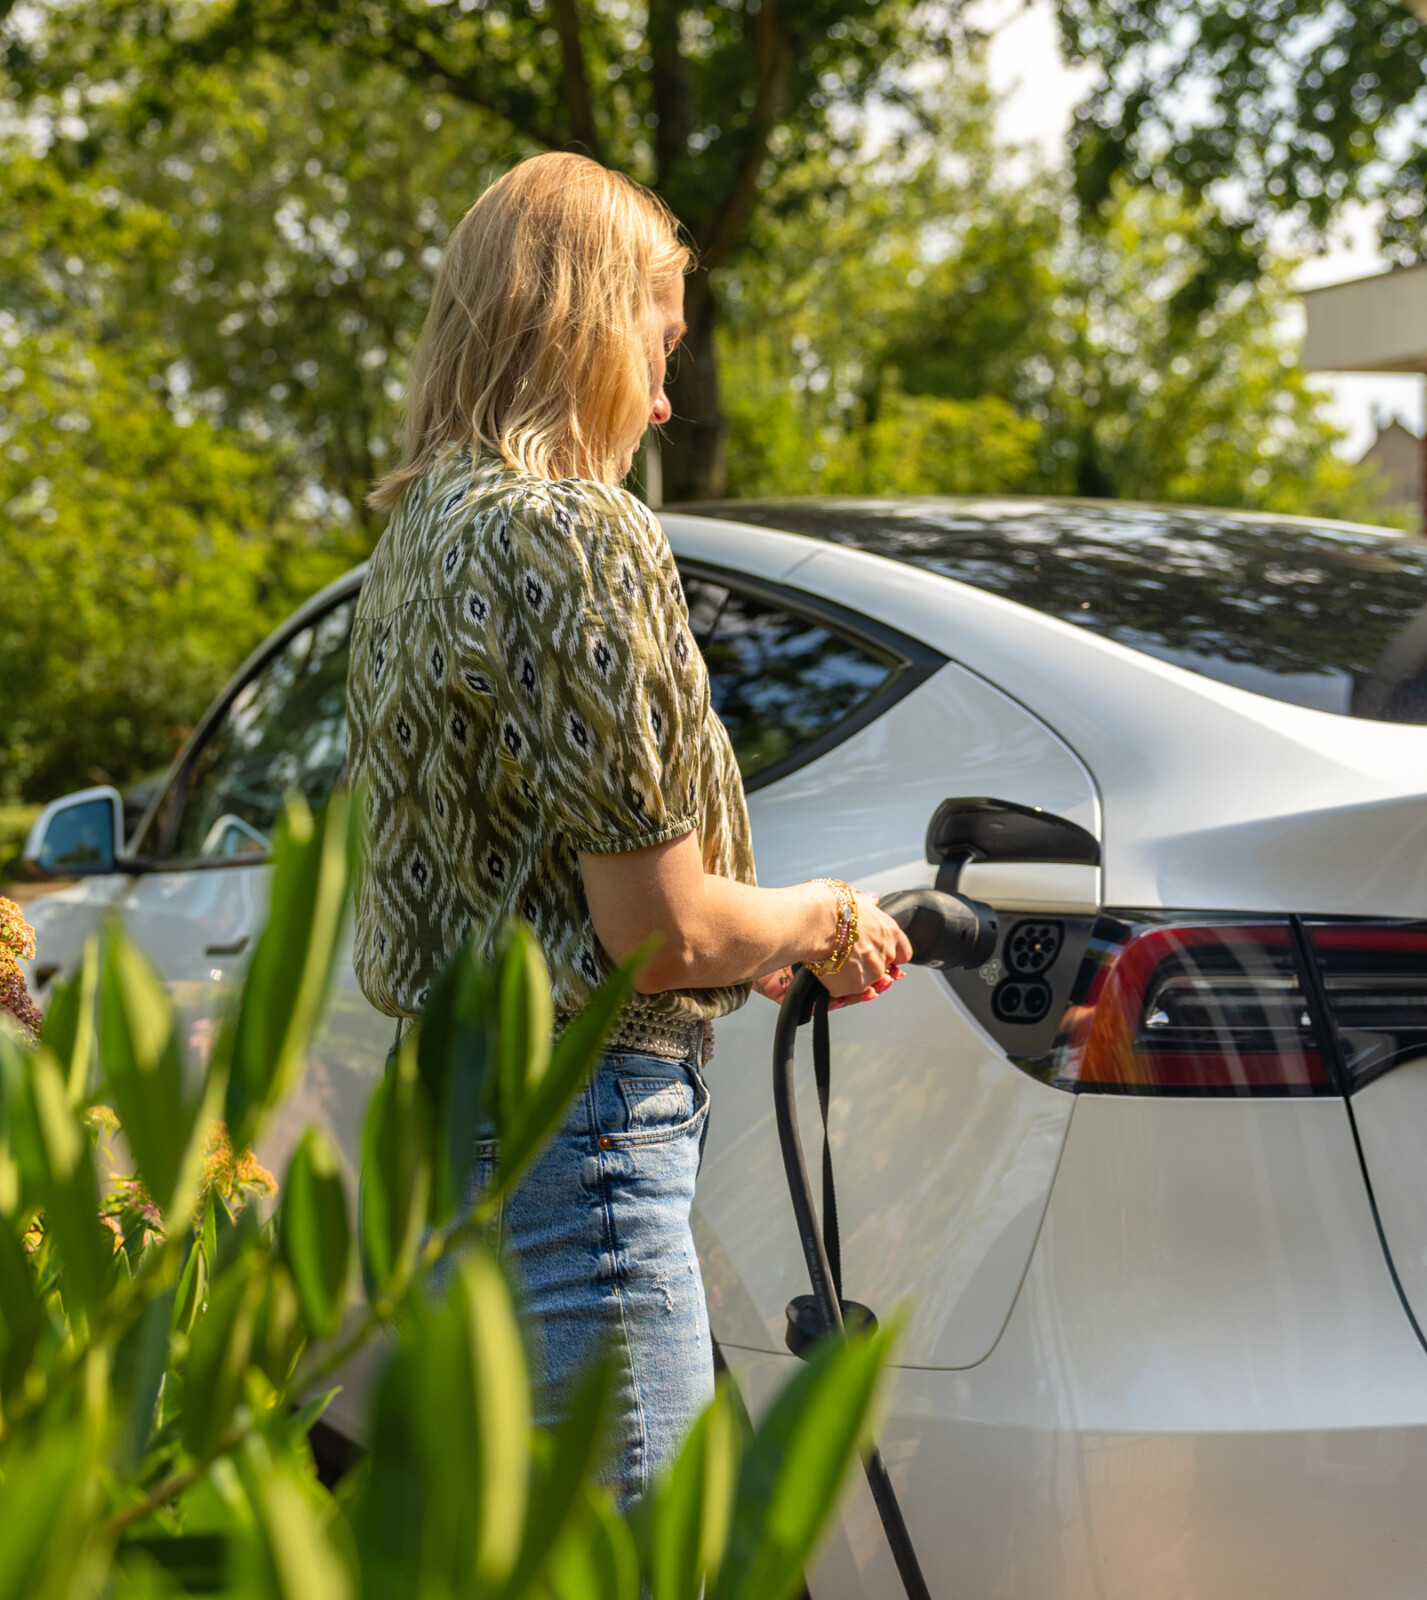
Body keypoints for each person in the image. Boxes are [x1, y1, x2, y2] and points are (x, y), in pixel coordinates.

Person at [344, 151, 913, 1504]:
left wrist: (728, 940)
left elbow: (535, 874)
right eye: (657, 346)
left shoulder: (413, 543)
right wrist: (821, 916)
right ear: (592, 331)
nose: (664, 399)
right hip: (580, 1143)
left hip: (452, 1137)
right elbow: (658, 935)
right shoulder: (580, 532)